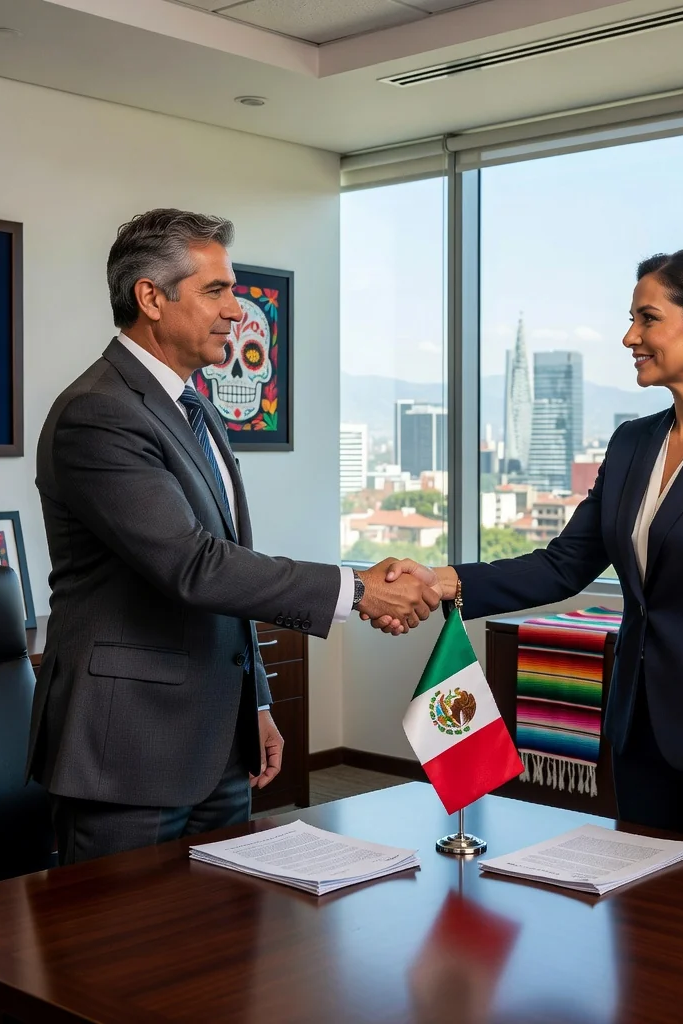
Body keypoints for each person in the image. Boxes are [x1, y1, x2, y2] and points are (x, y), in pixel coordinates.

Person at [379, 248, 683, 879]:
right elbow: (563, 564)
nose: (630, 337)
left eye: (647, 318)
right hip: (639, 737)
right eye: (630, 319)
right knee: (644, 938)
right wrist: (441, 581)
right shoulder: (632, 442)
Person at [30, 208, 439, 865]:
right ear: (151, 298)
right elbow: (193, 565)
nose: (237, 308)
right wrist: (356, 589)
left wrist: (257, 700)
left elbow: (230, 565)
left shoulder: (195, 406)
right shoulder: (97, 414)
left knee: (220, 943)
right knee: (119, 955)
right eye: (215, 290)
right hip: (130, 748)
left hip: (218, 741)